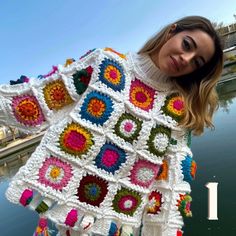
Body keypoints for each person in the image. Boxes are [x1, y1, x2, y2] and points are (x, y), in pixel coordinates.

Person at [0, 15, 223, 236]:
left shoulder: (177, 110)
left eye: (196, 62)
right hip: (68, 218)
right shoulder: (106, 66)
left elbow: (168, 188)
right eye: (187, 44)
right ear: (172, 31)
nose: (186, 58)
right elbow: (34, 100)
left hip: (115, 227)